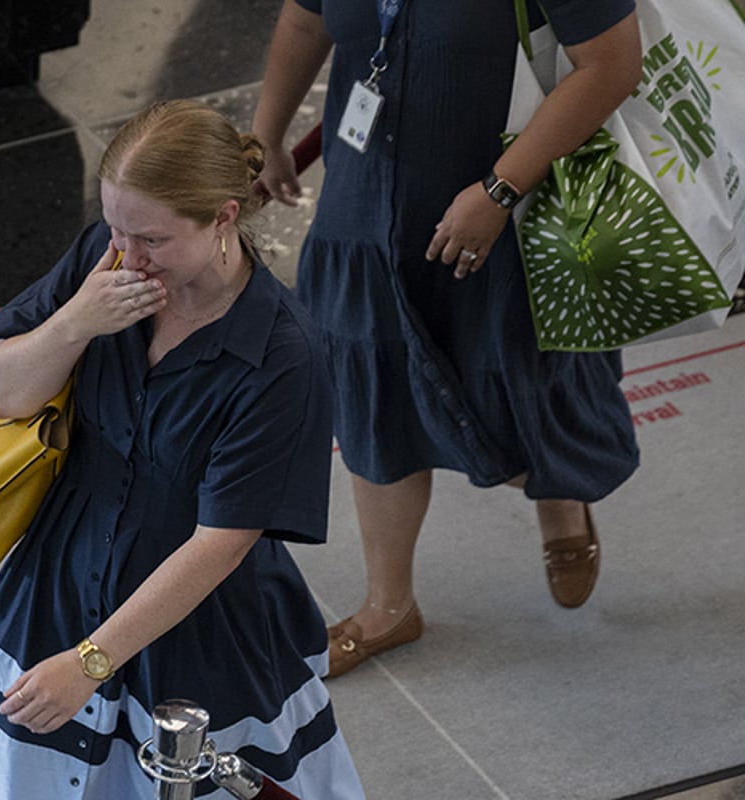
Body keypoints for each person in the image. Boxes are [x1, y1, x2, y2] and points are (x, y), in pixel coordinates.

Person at [0, 100, 366, 799]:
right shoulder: (104, 259)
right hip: (56, 584)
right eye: (116, 227)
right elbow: (7, 394)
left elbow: (220, 544)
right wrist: (77, 320)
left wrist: (90, 662)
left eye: (152, 239)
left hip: (197, 630)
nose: (128, 254)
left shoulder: (281, 356)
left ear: (223, 218)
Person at [252, 0, 643, 677]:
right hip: (363, 195)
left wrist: (500, 191)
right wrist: (266, 133)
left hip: (509, 197)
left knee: (518, 377)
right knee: (373, 387)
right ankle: (389, 605)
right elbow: (306, 19)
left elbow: (609, 65)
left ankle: (558, 493)